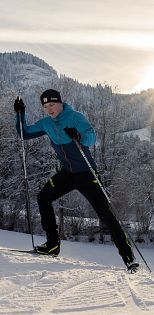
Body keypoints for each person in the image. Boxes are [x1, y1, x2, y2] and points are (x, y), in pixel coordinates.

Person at [13, 89, 138, 272]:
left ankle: (129, 258)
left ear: (61, 103)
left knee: (105, 214)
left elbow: (92, 137)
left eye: (52, 105)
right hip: (67, 174)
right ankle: (52, 245)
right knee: (43, 198)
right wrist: (20, 114)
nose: (50, 110)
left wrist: (79, 136)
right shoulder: (47, 123)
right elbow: (24, 134)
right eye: (46, 107)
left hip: (87, 173)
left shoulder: (75, 117)